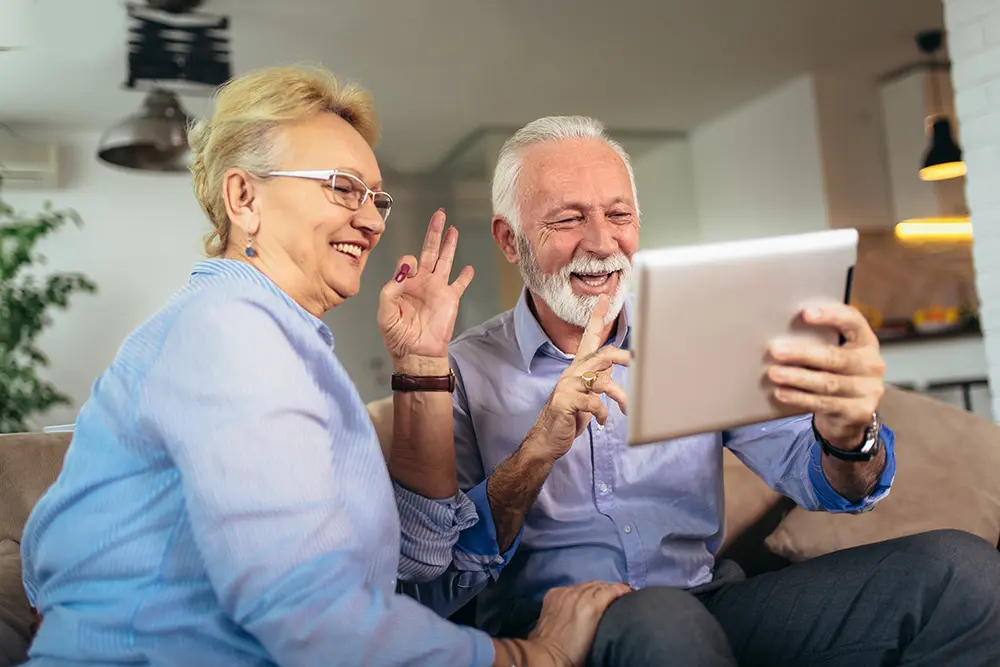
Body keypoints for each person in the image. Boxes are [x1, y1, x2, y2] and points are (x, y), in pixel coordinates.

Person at [18, 71, 630, 667]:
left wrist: (421, 365)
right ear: (243, 197)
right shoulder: (230, 330)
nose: (370, 220)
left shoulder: (284, 341)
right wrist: (531, 656)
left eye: (376, 197)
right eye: (341, 187)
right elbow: (313, 620)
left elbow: (415, 561)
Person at [406, 116, 1000, 666]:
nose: (602, 242)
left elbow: (824, 481)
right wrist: (539, 449)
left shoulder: (694, 330)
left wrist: (848, 437)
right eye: (568, 219)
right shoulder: (458, 373)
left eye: (619, 215)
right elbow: (438, 580)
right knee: (659, 619)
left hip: (706, 601)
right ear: (511, 242)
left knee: (958, 569)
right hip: (565, 631)